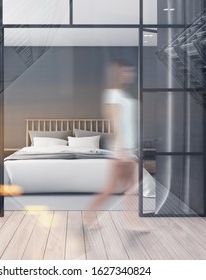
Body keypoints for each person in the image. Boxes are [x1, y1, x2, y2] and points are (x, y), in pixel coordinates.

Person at [85, 58, 148, 232]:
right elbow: (114, 123)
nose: (129, 73)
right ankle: (128, 221)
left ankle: (91, 215)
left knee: (126, 187)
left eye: (130, 70)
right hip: (122, 149)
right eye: (125, 71)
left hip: (128, 147)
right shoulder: (112, 94)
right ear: (116, 74)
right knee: (126, 188)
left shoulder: (123, 95)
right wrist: (121, 150)